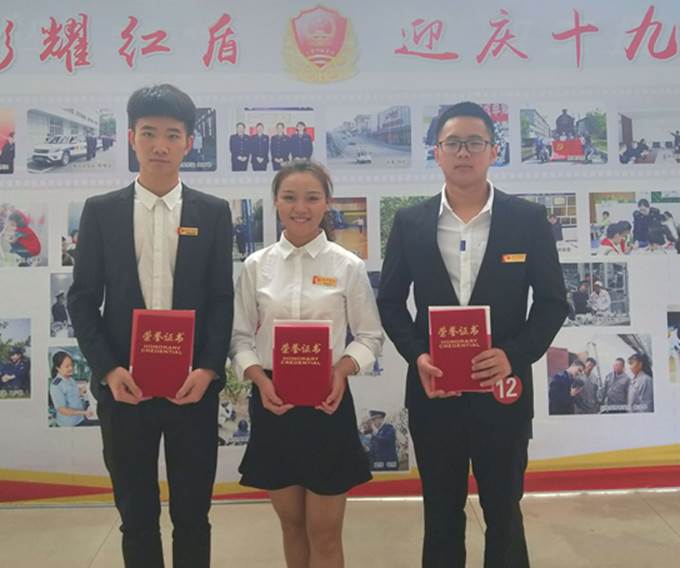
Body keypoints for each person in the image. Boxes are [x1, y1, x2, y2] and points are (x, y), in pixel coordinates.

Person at [377, 102, 568, 567]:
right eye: (453, 143)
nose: (464, 152)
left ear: (493, 151)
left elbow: (552, 303)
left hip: (503, 393)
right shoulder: (411, 222)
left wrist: (513, 355)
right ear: (437, 152)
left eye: (475, 142)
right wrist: (418, 355)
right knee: (441, 513)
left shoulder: (527, 220)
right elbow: (390, 302)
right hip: (434, 392)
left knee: (504, 512)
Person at [67, 84, 233, 568]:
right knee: (136, 516)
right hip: (125, 390)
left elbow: (221, 300)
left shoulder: (213, 212)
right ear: (131, 138)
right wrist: (108, 369)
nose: (160, 145)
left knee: (193, 516)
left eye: (172, 135)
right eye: (149, 133)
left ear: (189, 143)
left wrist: (208, 369)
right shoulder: (101, 211)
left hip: (192, 390)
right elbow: (82, 299)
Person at [230, 160, 383, 568]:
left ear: (326, 204)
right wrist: (259, 380)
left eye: (312, 198)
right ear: (276, 203)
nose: (301, 207)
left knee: (326, 533)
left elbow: (370, 337)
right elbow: (240, 338)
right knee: (292, 526)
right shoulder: (256, 266)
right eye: (290, 197)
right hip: (273, 403)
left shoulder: (346, 265)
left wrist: (342, 370)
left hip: (327, 404)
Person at [49, 351, 97, 427]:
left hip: (80, 419)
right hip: (69, 424)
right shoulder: (56, 385)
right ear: (58, 368)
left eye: (71, 365)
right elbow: (62, 410)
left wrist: (83, 390)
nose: (71, 368)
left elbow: (72, 394)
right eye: (67, 366)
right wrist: (84, 412)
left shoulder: (70, 379)